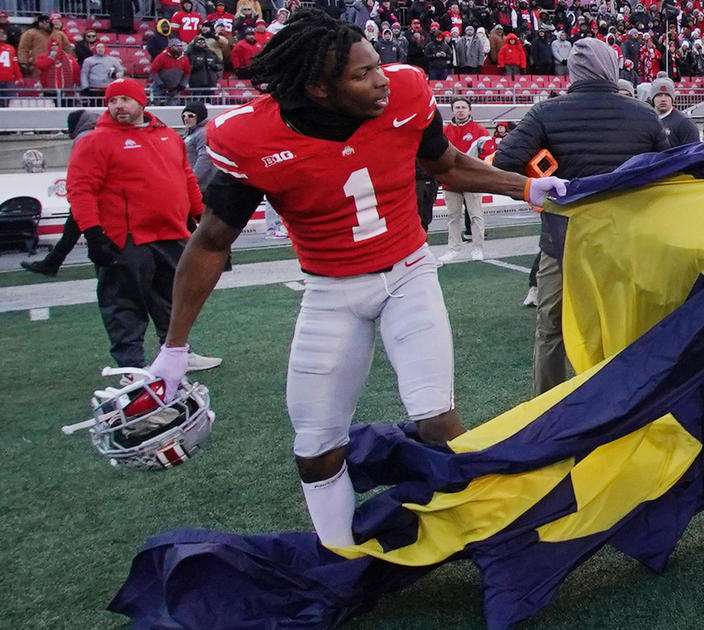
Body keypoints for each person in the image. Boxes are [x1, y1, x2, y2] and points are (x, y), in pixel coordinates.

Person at [146, 10, 564, 550]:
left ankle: (496, 533)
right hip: (330, 291)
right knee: (316, 444)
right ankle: (340, 556)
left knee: (436, 418)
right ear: (319, 88)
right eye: (363, 75)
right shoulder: (251, 136)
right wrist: (174, 347)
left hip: (409, 274)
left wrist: (526, 188)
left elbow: (448, 166)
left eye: (377, 65)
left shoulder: (408, 92)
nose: (382, 79)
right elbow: (210, 241)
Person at [494, 38, 668, 396]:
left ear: (571, 71)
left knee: (551, 330)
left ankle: (546, 411)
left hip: (563, 239)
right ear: (612, 68)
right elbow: (667, 176)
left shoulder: (546, 112)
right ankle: (624, 403)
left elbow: (503, 162)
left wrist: (541, 176)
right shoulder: (645, 115)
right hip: (625, 240)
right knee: (625, 326)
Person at [66, 79, 221, 373]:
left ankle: (176, 353)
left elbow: (186, 178)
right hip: (126, 238)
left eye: (125, 99)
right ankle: (131, 367)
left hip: (172, 232)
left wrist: (203, 217)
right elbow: (80, 189)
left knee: (174, 300)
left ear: (141, 102)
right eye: (112, 101)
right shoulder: (94, 140)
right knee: (124, 306)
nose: (118, 106)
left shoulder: (167, 136)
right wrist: (93, 233)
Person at [21, 109, 97, 277]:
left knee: (82, 229)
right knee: (73, 229)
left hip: (91, 194)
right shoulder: (92, 134)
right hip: (92, 192)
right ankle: (53, 261)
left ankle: (53, 262)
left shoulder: (85, 138)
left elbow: (83, 170)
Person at [439, 98, 493, 262]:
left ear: (469, 110)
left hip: (472, 182)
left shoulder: (480, 131)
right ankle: (453, 249)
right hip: (451, 181)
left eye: (463, 107)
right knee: (453, 217)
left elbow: (489, 156)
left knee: (475, 215)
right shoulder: (444, 131)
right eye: (457, 107)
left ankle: (477, 248)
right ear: (452, 110)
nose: (460, 110)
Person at [650, 76, 699, 147]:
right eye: (659, 95)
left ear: (673, 98)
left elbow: (693, 152)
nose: (663, 99)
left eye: (667, 95)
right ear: (652, 98)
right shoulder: (647, 120)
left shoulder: (684, 123)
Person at [181, 102, 215, 191]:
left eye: (190, 116)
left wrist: (192, 180)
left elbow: (205, 158)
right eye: (184, 116)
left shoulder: (203, 133)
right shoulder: (190, 131)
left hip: (202, 186)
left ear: (199, 116)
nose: (186, 118)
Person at [150, 38, 191, 104]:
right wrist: (160, 83)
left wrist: (183, 84)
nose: (179, 48)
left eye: (180, 46)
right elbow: (153, 71)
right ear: (171, 47)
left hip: (175, 89)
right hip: (159, 87)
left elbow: (187, 73)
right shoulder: (162, 57)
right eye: (176, 46)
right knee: (157, 104)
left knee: (173, 106)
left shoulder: (184, 58)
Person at [0, 28, 22, 106]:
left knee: (7, 101)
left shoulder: (11, 48)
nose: (2, 35)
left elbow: (15, 64)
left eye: (4, 33)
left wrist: (19, 77)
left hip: (8, 79)